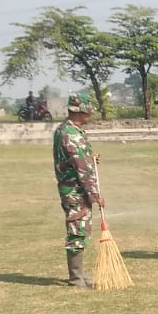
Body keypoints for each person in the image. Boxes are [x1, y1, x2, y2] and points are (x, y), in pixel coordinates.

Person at [53, 92, 104, 288]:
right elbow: (81, 169)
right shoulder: (71, 134)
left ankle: (80, 275)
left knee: (80, 230)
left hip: (73, 189)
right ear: (78, 112)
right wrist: (95, 195)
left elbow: (77, 159)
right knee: (77, 231)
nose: (89, 117)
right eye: (87, 113)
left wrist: (90, 157)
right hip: (75, 191)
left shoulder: (65, 130)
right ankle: (76, 279)